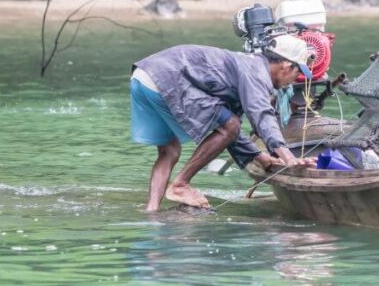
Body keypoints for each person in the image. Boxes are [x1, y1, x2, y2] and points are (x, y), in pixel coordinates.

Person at [130, 35, 317, 210]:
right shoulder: (256, 72)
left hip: (143, 76)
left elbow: (229, 135)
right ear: (285, 65)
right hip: (167, 75)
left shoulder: (247, 65)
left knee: (169, 151)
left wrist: (260, 157)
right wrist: (289, 157)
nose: (294, 81)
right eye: (297, 71)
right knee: (230, 125)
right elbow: (260, 115)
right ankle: (180, 185)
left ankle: (151, 212)